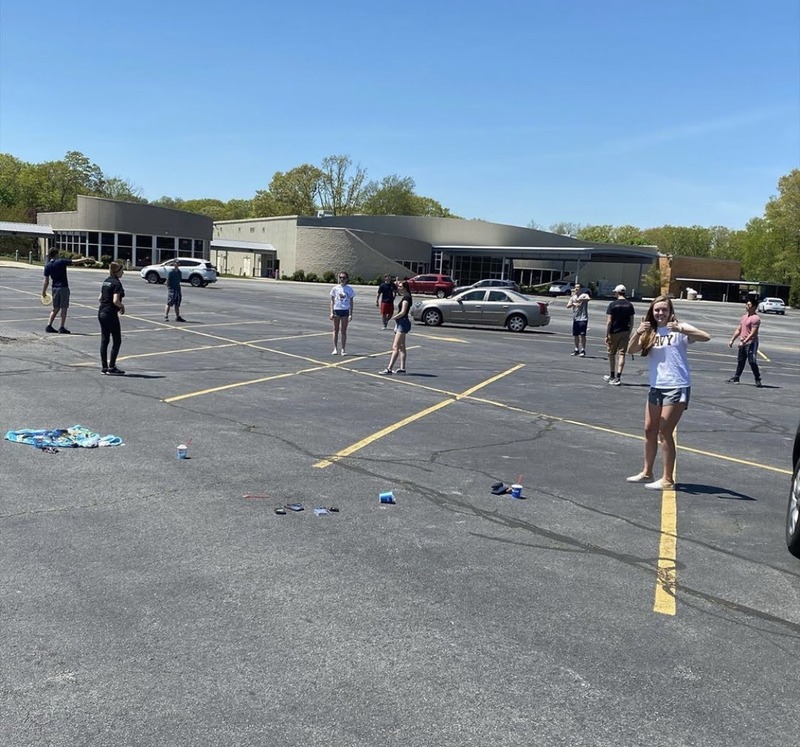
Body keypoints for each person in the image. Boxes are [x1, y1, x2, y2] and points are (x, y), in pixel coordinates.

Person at [626, 295, 711, 489]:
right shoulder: (650, 331)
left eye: (664, 309)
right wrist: (638, 332)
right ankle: (647, 472)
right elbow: (631, 350)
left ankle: (667, 479)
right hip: (656, 386)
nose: (660, 313)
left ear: (670, 311)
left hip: (677, 385)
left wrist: (682, 329)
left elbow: (706, 336)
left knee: (665, 431)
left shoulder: (678, 328)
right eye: (657, 310)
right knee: (649, 429)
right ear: (652, 312)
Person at [42, 248, 96, 333]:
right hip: (63, 287)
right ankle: (62, 327)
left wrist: (43, 292)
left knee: (55, 308)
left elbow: (46, 281)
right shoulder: (61, 262)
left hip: (54, 288)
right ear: (56, 254)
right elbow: (74, 262)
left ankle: (49, 325)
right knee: (64, 307)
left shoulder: (48, 265)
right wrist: (86, 259)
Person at [98, 261, 126, 375]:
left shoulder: (106, 281)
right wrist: (122, 306)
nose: (123, 273)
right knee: (117, 340)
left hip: (101, 312)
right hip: (110, 313)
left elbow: (100, 298)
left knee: (105, 340)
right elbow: (115, 300)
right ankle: (112, 366)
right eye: (122, 271)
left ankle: (104, 367)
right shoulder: (116, 284)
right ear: (116, 271)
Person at [604, 284, 635, 385]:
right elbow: (632, 321)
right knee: (622, 354)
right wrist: (629, 332)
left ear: (617, 293)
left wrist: (606, 334)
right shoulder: (629, 305)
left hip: (614, 332)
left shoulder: (612, 304)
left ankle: (612, 375)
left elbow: (609, 321)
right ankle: (618, 377)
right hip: (625, 331)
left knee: (611, 354)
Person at [380, 280, 413, 375]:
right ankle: (402, 368)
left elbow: (403, 312)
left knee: (396, 347)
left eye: (400, 287)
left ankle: (389, 368)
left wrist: (394, 317)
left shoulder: (406, 298)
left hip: (403, 322)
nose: (399, 288)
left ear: (405, 288)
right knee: (402, 346)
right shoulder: (406, 297)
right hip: (401, 322)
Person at [727, 300, 762, 387]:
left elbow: (753, 333)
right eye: (746, 304)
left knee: (752, 361)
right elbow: (739, 329)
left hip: (751, 343)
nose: (746, 306)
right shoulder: (744, 317)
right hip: (743, 342)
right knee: (741, 361)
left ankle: (757, 379)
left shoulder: (755, 318)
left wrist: (745, 342)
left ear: (754, 307)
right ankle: (736, 377)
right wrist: (732, 340)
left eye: (748, 304)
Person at [330, 271, 355, 355]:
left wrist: (351, 314)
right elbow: (332, 301)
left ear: (347, 279)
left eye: (344, 278)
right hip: (337, 309)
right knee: (335, 330)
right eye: (340, 277)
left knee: (343, 330)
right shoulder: (335, 288)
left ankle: (343, 349)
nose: (342, 279)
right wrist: (331, 312)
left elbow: (351, 302)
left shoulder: (349, 289)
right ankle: (335, 348)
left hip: (345, 310)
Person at [566, 282, 590, 356]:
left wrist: (580, 299)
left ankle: (583, 350)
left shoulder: (584, 295)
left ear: (581, 289)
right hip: (576, 318)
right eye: (575, 287)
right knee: (575, 334)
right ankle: (576, 349)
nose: (576, 289)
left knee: (582, 335)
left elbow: (588, 298)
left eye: (578, 287)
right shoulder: (573, 297)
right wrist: (573, 304)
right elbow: (568, 305)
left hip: (583, 318)